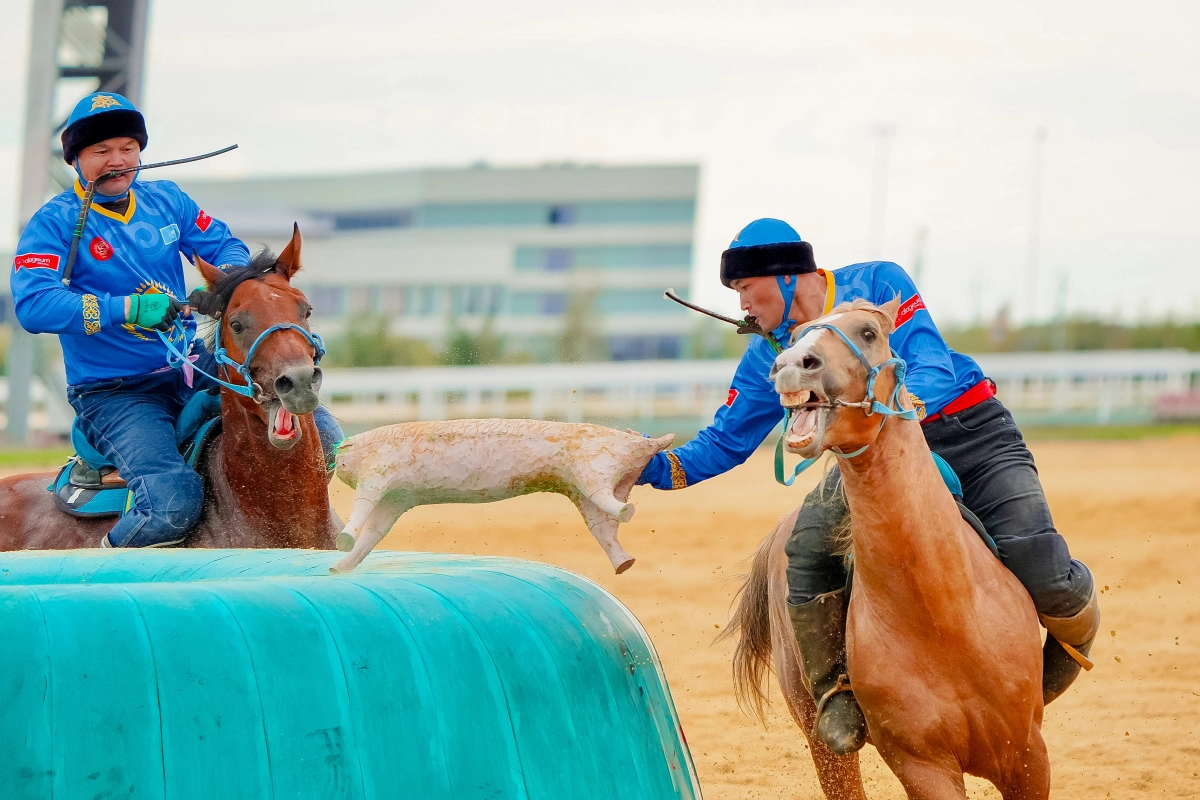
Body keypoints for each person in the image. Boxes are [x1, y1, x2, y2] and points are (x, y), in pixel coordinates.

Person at [637, 218, 1097, 754]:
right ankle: (836, 689)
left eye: (744, 289)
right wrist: (640, 464)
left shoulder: (878, 283)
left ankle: (1074, 619)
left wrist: (884, 412)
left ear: (785, 277)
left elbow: (934, 366)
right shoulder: (773, 353)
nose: (742, 306)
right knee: (804, 550)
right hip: (872, 460)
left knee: (1039, 563)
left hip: (970, 435)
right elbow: (722, 444)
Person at [11, 91, 342, 548]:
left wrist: (222, 285)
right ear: (76, 160)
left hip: (194, 366)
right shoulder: (53, 223)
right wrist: (127, 308)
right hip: (116, 391)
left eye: (128, 149)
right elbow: (33, 306)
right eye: (102, 151)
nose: (118, 161)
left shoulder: (167, 200)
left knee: (324, 433)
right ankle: (101, 578)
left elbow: (227, 247)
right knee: (171, 503)